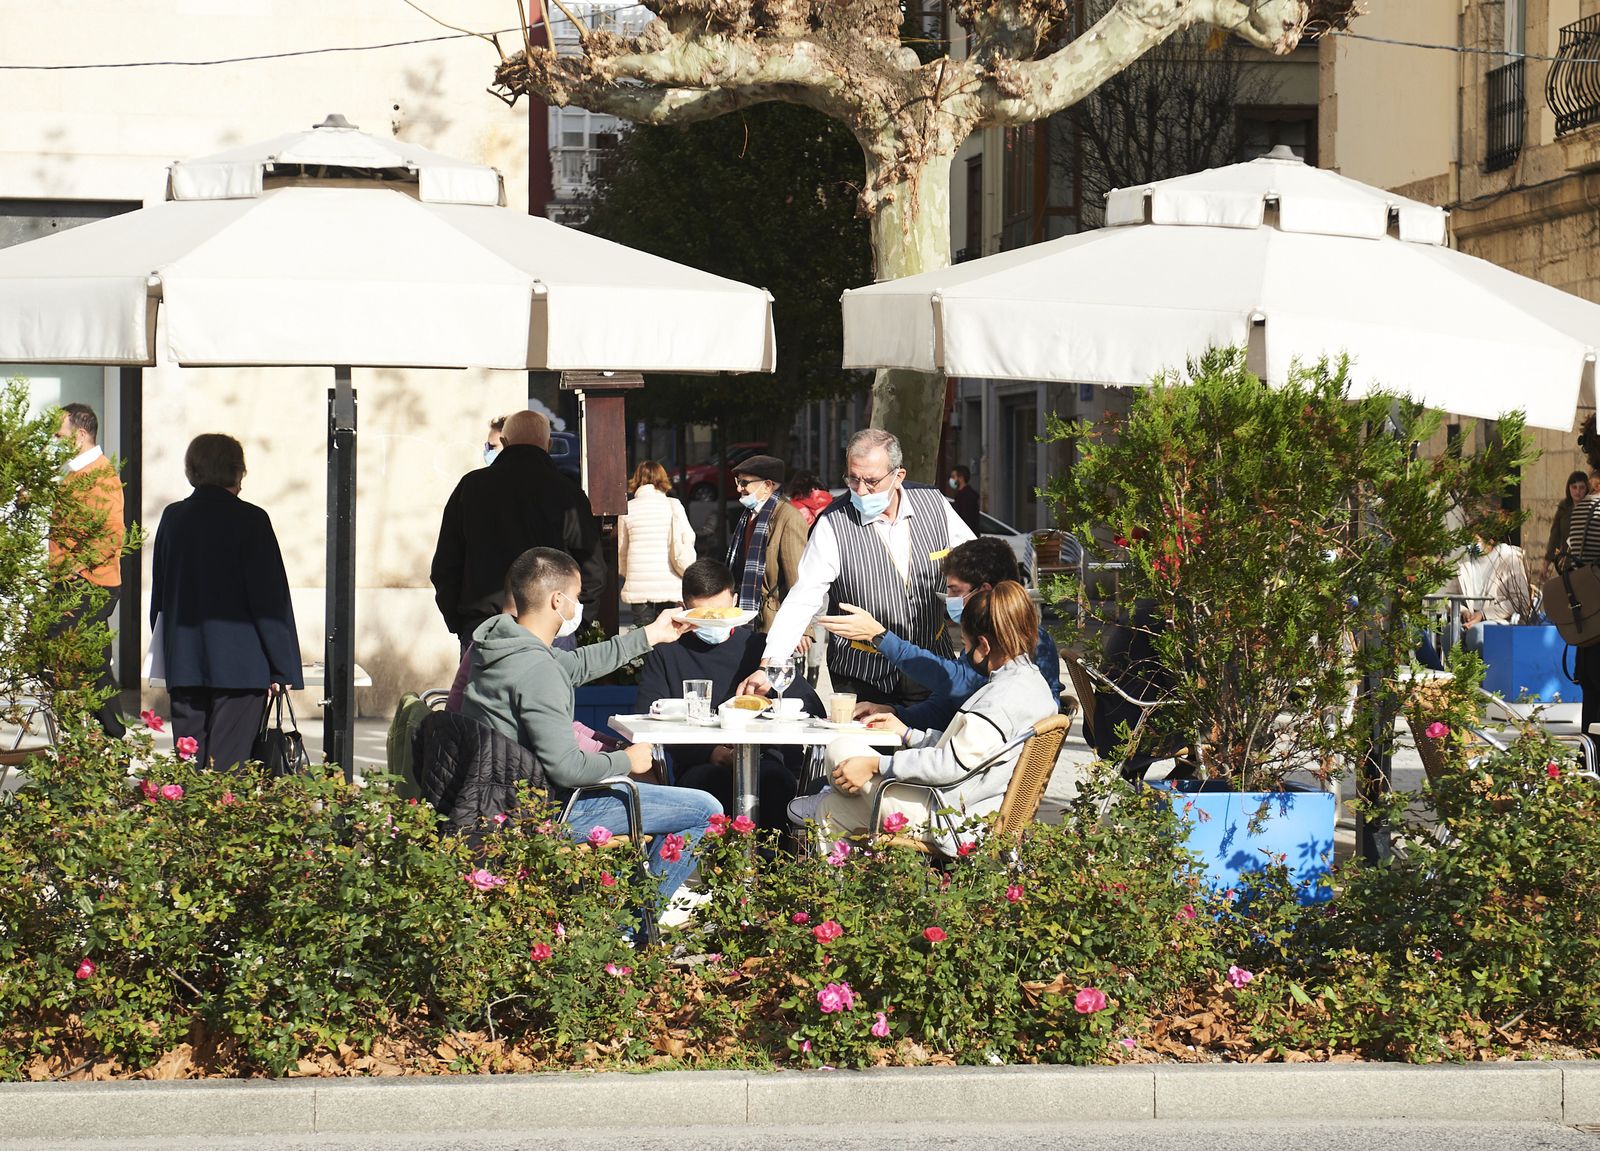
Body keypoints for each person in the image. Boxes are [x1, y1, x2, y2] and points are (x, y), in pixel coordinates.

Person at [462, 547, 718, 911]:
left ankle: (626, 911)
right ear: (557, 600)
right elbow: (567, 768)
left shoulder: (500, 648)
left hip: (500, 800)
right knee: (704, 809)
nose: (578, 607)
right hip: (546, 812)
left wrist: (650, 635)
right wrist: (626, 760)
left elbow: (576, 664)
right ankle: (634, 924)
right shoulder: (536, 670)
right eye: (578, 597)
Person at [789, 582, 1055, 849]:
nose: (965, 655)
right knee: (837, 792)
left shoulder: (1000, 698)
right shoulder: (1032, 684)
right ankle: (832, 807)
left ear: (984, 645)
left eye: (965, 645)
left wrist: (876, 764)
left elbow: (949, 766)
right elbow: (969, 753)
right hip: (974, 803)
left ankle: (824, 807)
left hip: (953, 818)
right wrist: (906, 733)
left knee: (839, 757)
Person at [741, 429, 975, 708]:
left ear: (898, 476)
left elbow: (975, 563)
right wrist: (772, 664)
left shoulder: (934, 505)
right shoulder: (832, 523)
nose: (861, 490)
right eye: (853, 479)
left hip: (931, 665)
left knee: (927, 746)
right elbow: (803, 597)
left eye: (872, 481)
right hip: (863, 675)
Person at [634, 559, 823, 834]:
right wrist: (711, 752)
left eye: (722, 612)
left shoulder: (759, 648)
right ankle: (717, 871)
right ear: (684, 608)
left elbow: (811, 706)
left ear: (735, 601)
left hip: (764, 761)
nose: (715, 621)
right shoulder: (667, 652)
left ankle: (773, 870)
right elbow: (647, 719)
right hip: (699, 764)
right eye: (703, 615)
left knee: (775, 782)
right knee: (707, 787)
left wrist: (771, 684)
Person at [150, 434, 302, 772]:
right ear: (237, 471)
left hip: (185, 663)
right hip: (241, 668)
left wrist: (168, 650)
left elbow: (160, 595)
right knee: (227, 769)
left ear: (192, 470)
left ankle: (185, 825)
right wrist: (282, 665)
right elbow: (268, 601)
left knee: (188, 766)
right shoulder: (251, 520)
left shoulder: (173, 518)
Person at [818, 535, 1062, 732]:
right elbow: (948, 702)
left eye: (956, 591)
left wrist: (880, 636)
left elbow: (957, 681)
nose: (950, 601)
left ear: (984, 592)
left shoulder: (1027, 642)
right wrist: (894, 713)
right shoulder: (991, 637)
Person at [431, 410, 603, 650]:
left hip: (484, 627)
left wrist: (463, 623)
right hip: (551, 628)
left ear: (504, 442)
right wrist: (575, 623)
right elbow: (593, 569)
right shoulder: (568, 494)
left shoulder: (471, 488)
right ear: (549, 444)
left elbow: (445, 567)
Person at [46, 403, 127, 737]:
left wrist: (73, 572)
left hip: (88, 583)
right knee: (89, 661)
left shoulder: (100, 473)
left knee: (84, 662)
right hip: (77, 582)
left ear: (79, 434)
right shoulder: (78, 472)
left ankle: (112, 735)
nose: (54, 438)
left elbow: (110, 535)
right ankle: (106, 737)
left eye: (59, 432)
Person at [725, 454, 808, 632]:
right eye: (737, 482)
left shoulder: (788, 517)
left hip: (771, 622)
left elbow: (798, 580)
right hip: (742, 615)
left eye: (744, 483)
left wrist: (803, 628)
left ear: (768, 485)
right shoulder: (748, 515)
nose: (739, 488)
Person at [619, 460, 697, 627]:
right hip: (668, 578)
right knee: (668, 627)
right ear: (663, 478)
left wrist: (627, 574)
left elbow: (622, 549)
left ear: (637, 479)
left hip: (638, 577)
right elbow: (687, 537)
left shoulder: (627, 508)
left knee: (642, 631)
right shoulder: (673, 505)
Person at [1449, 528, 1532, 652]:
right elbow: (1450, 595)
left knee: (1476, 634)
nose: (1471, 544)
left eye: (1475, 540)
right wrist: (1464, 611)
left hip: (1501, 619)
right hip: (1470, 618)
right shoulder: (1463, 561)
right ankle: (1456, 671)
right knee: (1449, 633)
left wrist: (1484, 614)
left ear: (1490, 540)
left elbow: (1521, 600)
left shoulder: (1509, 558)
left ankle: (1483, 671)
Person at [1543, 470, 1590, 582]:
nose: (1578, 491)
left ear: (1587, 488)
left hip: (1586, 564)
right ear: (1569, 488)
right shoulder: (1564, 507)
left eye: (1581, 487)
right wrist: (1546, 564)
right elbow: (1555, 536)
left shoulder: (1591, 507)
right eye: (1574, 487)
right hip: (1566, 563)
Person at [948, 465, 980, 534]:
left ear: (961, 478)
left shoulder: (967, 497)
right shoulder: (961, 495)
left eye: (953, 477)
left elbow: (965, 519)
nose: (951, 480)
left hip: (966, 537)